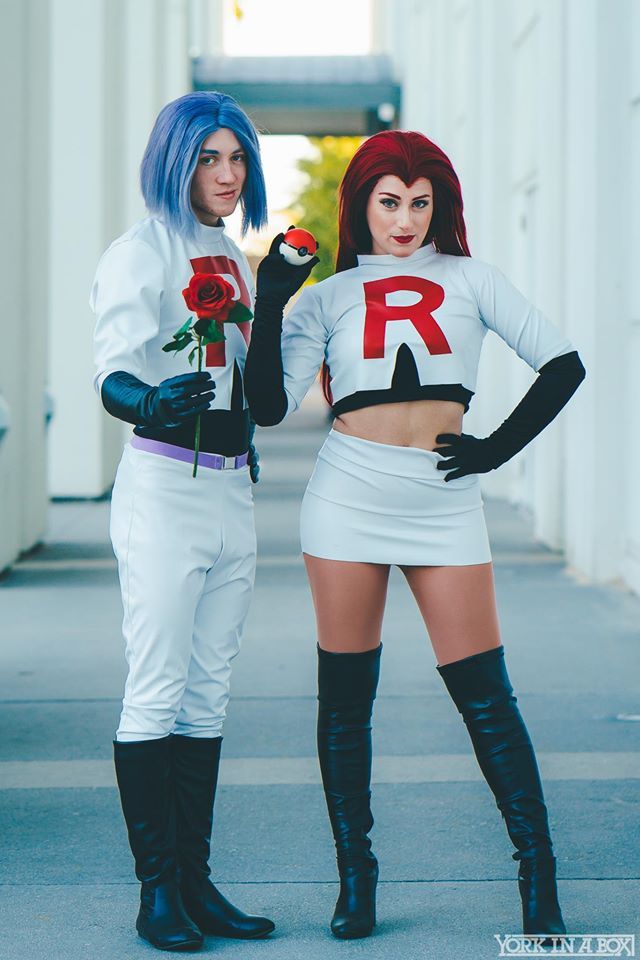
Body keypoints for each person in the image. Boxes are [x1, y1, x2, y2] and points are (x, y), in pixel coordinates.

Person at [245, 130, 585, 941]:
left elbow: (563, 363)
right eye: (389, 201)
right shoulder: (327, 299)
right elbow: (263, 406)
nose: (405, 220)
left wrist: (495, 449)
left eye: (421, 202)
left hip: (443, 500)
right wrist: (269, 296)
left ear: (441, 205)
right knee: (345, 704)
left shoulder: (472, 278)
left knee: (486, 700)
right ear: (362, 203)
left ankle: (539, 878)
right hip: (347, 494)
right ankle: (355, 879)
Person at [91, 91, 312, 952]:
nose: (228, 174)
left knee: (209, 693)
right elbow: (110, 370)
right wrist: (145, 397)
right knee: (156, 688)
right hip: (162, 489)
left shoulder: (233, 254)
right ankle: (157, 895)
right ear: (176, 161)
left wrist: (282, 294)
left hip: (231, 487)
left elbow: (261, 396)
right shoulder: (136, 253)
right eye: (211, 158)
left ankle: (195, 881)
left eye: (238, 158)